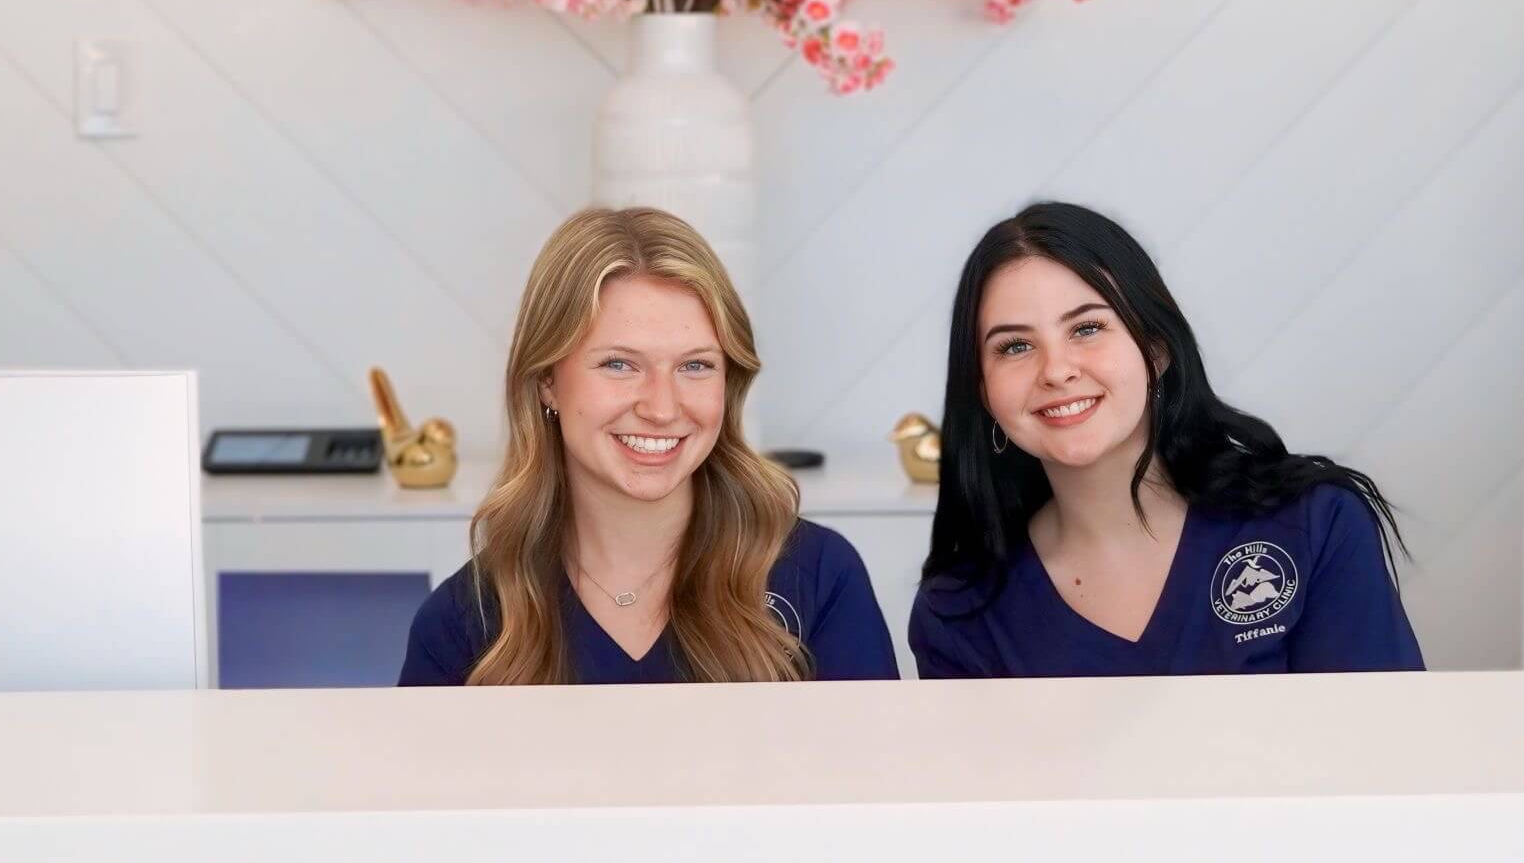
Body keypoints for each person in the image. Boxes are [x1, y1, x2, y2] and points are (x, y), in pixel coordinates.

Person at [909, 201, 1422, 677]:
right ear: (983, 390)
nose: (1057, 371)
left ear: (1155, 350)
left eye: (1086, 328)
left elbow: (1388, 755)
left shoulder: (1313, 523)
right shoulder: (957, 607)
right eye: (1015, 346)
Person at [400, 205, 898, 684]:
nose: (662, 408)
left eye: (695, 365)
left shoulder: (818, 578)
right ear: (546, 380)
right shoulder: (464, 624)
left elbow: (881, 770)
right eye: (619, 364)